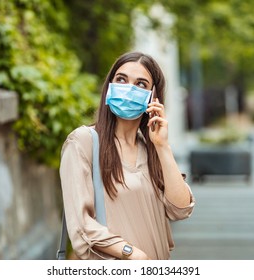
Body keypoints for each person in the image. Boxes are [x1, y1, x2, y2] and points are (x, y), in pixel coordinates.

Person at [59, 51, 195, 260]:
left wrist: (162, 146)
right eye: (121, 79)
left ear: (153, 97)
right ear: (109, 87)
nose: (129, 89)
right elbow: (81, 224)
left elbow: (181, 209)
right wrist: (132, 254)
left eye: (141, 84)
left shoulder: (152, 148)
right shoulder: (83, 142)